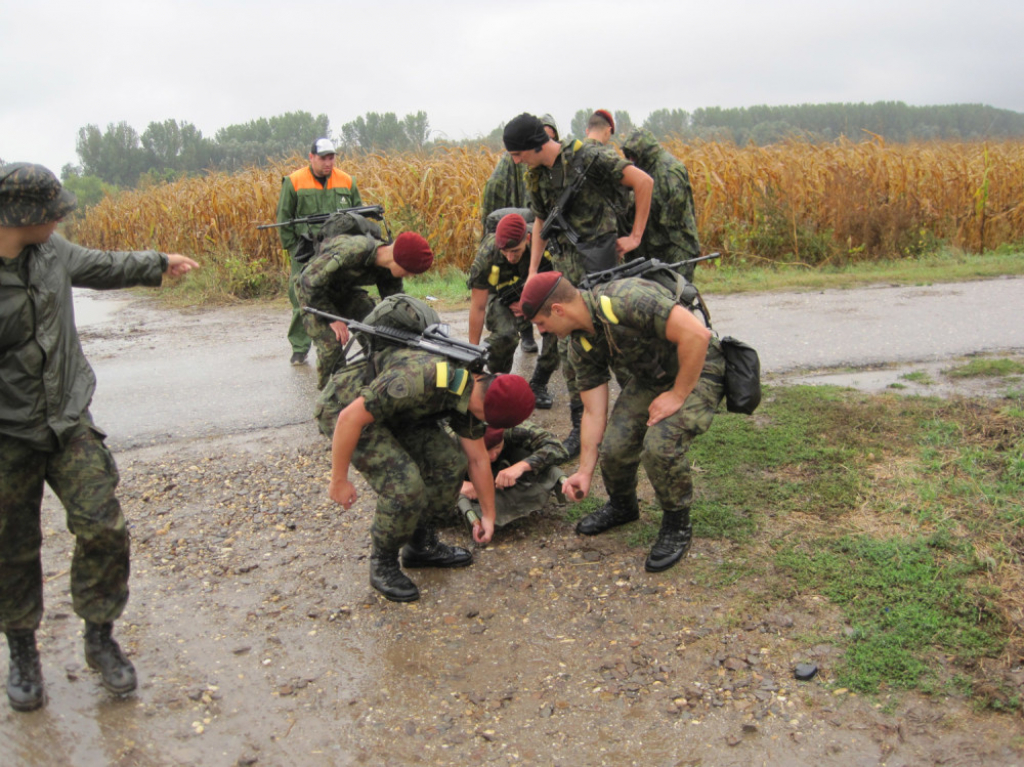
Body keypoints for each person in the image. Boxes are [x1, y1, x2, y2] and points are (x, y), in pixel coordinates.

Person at [0, 163, 200, 712]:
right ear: (21, 215)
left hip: (68, 419)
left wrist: (159, 263)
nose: (62, 215)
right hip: (7, 435)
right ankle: (22, 649)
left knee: (104, 528)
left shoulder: (52, 252)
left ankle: (99, 636)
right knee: (11, 548)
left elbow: (101, 265)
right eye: (53, 209)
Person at [518, 270, 725, 573]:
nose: (542, 332)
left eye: (541, 323)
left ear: (558, 310)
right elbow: (593, 412)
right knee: (614, 448)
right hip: (651, 379)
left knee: (659, 446)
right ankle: (623, 506)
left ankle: (677, 522)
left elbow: (698, 335)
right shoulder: (580, 344)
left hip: (698, 366)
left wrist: (678, 395)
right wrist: (585, 472)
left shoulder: (627, 298)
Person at [315, 335, 535, 602]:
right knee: (405, 485)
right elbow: (349, 417)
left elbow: (476, 460)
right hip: (346, 408)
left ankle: (420, 546)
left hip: (401, 412)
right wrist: (338, 480)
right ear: (486, 408)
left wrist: (489, 515)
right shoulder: (421, 377)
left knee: (450, 463)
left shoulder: (474, 390)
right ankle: (382, 564)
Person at [502, 112, 654, 458]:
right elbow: (541, 220)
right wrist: (533, 271)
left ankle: (641, 424)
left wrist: (634, 237)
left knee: (619, 344)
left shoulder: (589, 156)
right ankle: (578, 427)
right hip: (566, 273)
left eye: (516, 152)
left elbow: (643, 182)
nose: (515, 160)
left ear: (531, 145)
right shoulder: (535, 175)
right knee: (571, 352)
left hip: (603, 268)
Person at [295, 213, 434, 389]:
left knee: (377, 334)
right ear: (399, 261)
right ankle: (331, 398)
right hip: (313, 293)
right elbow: (308, 281)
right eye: (410, 271)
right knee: (332, 347)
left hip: (345, 291)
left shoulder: (388, 272)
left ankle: (378, 385)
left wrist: (414, 331)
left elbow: (394, 305)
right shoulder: (353, 250)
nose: (410, 276)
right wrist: (332, 318)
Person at [276, 138, 362, 366]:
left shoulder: (346, 181)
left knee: (341, 296)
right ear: (311, 157)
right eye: (323, 157)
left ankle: (338, 346)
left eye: (331, 157)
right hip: (306, 251)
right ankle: (299, 347)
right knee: (302, 300)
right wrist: (295, 249)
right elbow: (284, 220)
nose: (328, 162)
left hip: (338, 252)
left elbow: (359, 217)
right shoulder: (294, 182)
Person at [480, 115, 559, 355]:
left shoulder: (558, 164)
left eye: (551, 136)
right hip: (515, 227)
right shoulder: (514, 160)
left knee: (535, 280)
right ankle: (525, 335)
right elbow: (494, 190)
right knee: (511, 283)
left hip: (539, 231)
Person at [466, 212, 559, 408]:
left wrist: (532, 304)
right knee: (506, 335)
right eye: (505, 252)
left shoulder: (545, 245)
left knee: (559, 325)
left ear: (527, 238)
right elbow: (478, 306)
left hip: (540, 294)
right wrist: (472, 354)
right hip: (500, 296)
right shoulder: (488, 254)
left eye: (515, 251)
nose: (510, 257)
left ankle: (539, 382)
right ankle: (498, 381)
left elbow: (562, 285)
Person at [621, 128, 701, 280]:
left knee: (677, 296)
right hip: (654, 248)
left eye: (633, 155)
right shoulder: (643, 170)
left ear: (644, 152)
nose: (631, 159)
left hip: (676, 246)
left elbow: (670, 218)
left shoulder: (670, 170)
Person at [458, 422, 569, 527]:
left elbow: (558, 448)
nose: (492, 456)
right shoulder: (452, 439)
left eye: (496, 447)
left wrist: (522, 466)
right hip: (462, 468)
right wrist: (459, 485)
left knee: (523, 451)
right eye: (486, 451)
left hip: (505, 463)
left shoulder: (510, 427)